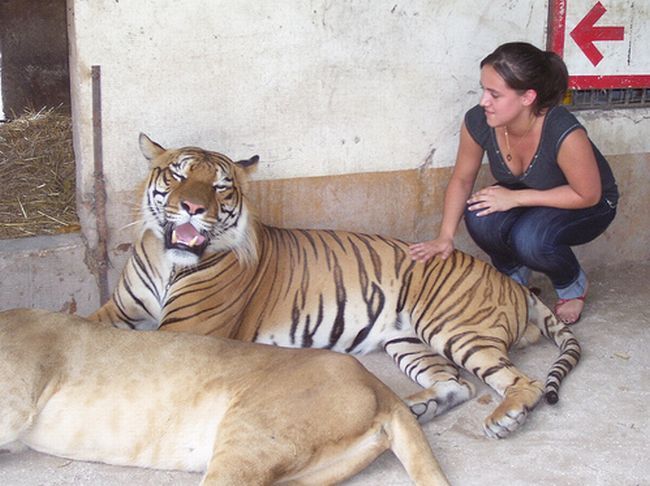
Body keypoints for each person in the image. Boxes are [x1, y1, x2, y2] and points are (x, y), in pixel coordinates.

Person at [409, 42, 618, 325]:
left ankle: (572, 284)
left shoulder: (562, 129)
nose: (484, 101)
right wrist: (445, 236)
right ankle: (514, 277)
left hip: (590, 204)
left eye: (495, 94)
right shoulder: (478, 121)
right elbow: (462, 178)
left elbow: (587, 195)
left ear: (527, 97)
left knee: (531, 238)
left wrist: (516, 199)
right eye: (483, 90)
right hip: (536, 195)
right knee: (480, 213)